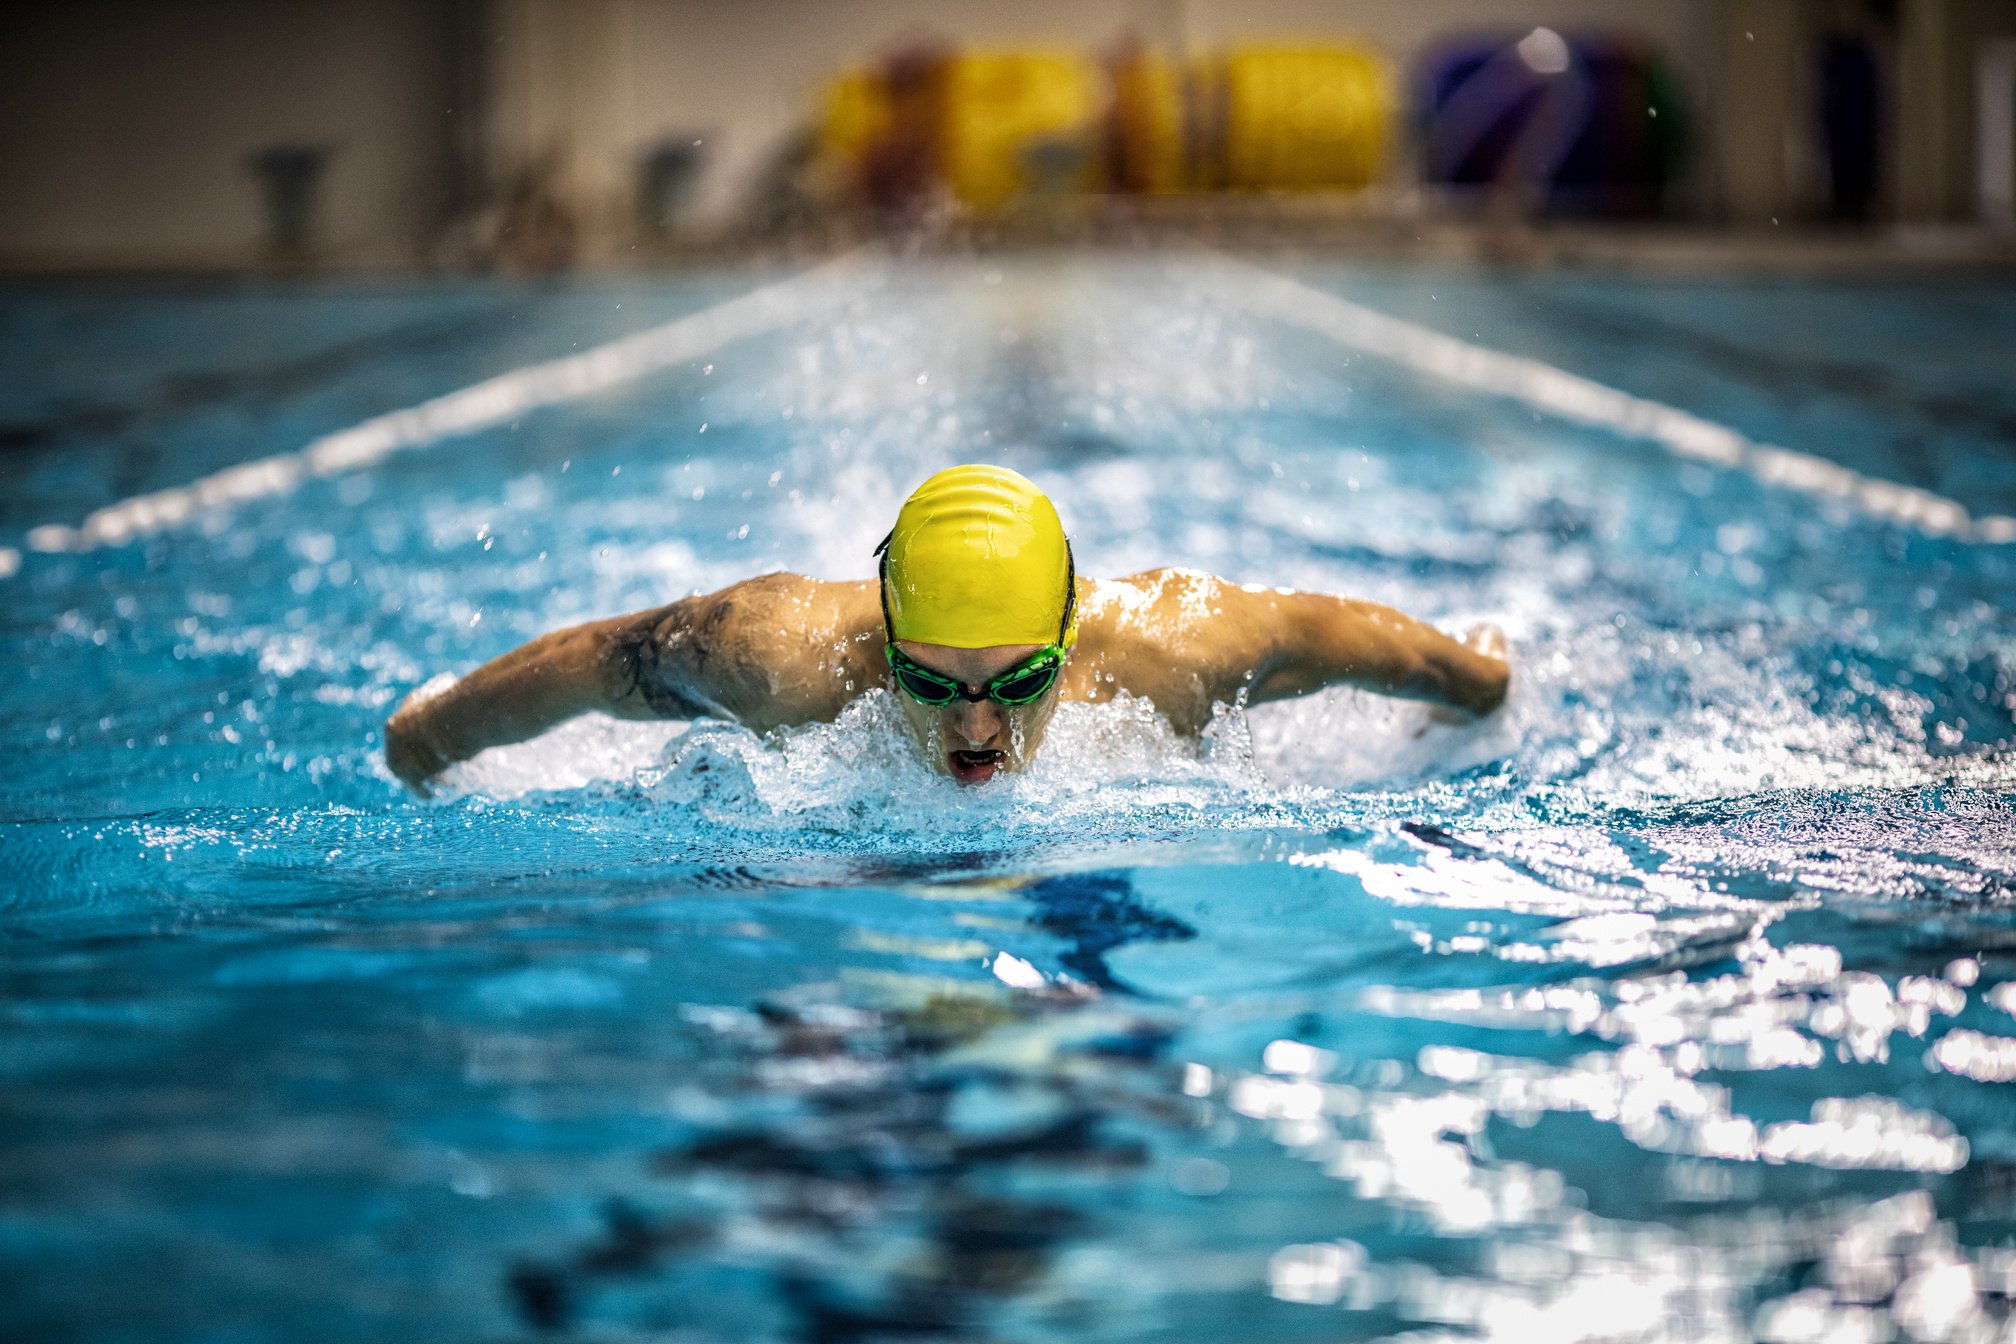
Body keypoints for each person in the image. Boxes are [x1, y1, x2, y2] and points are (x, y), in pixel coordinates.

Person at [384, 464, 1509, 793]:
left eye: (1019, 681)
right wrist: (431, 734)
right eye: (931, 683)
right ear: (882, 639)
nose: (977, 724)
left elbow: (1380, 645)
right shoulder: (782, 658)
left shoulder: (1178, 651)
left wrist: (1483, 682)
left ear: (1071, 637)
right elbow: (596, 660)